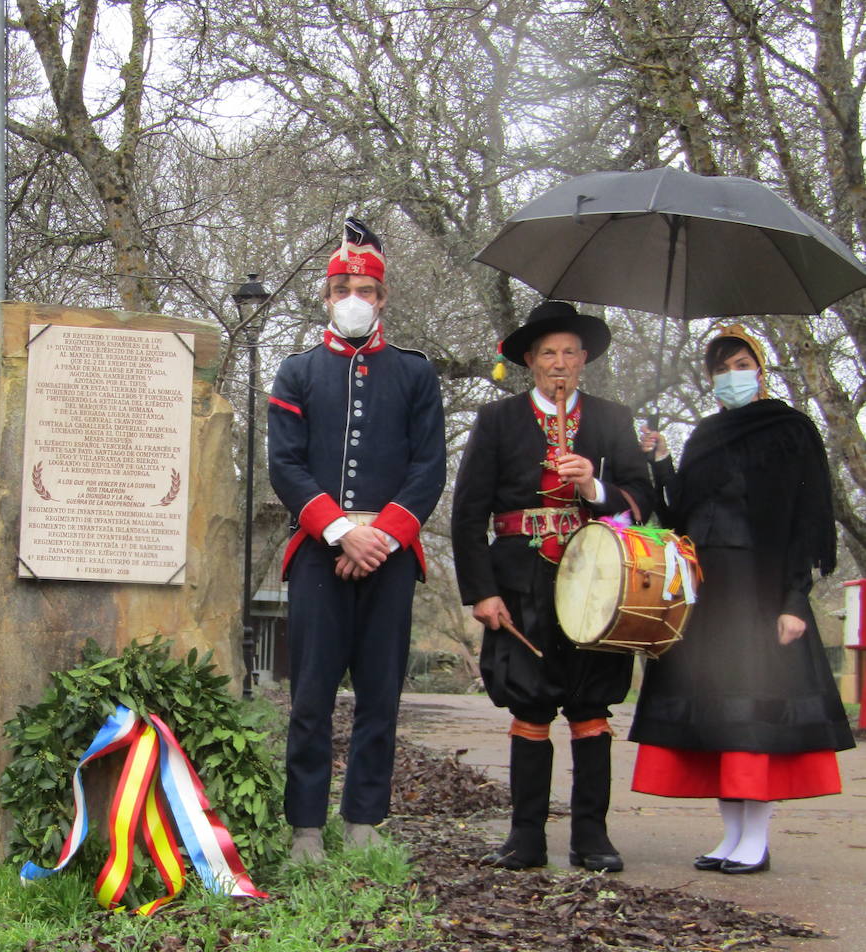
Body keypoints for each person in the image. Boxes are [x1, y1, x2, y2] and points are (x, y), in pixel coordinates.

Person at [631, 324, 854, 874]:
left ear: (759, 369)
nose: (732, 376)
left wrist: (794, 600)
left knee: (754, 716)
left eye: (741, 364)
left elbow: (806, 521)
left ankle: (757, 838)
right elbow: (678, 516)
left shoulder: (791, 430)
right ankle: (730, 836)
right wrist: (661, 461)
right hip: (706, 594)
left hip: (760, 590)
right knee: (716, 719)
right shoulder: (706, 435)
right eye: (721, 368)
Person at [268, 217, 447, 862]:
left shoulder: (416, 375)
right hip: (319, 552)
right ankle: (306, 828)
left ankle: (365, 820)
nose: (353, 297)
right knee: (310, 694)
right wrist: (344, 533)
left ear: (382, 297)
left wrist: (382, 538)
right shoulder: (295, 374)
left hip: (393, 557)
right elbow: (285, 465)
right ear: (325, 295)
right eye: (341, 285)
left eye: (365, 288)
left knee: (380, 693)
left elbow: (429, 467)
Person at [451, 300, 653, 872]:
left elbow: (644, 501)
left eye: (569, 352)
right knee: (531, 705)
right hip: (520, 582)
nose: (559, 363)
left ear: (584, 359)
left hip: (597, 580)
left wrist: (595, 484)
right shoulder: (496, 421)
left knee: (591, 705)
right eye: (547, 354)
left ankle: (592, 838)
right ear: (530, 363)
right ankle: (526, 837)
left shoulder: (613, 418)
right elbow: (468, 514)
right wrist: (482, 592)